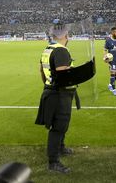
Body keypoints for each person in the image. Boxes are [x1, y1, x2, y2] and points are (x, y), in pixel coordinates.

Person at [35, 23, 76, 174]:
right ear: (65, 35)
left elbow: (41, 70)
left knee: (61, 125)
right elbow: (62, 74)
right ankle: (53, 162)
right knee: (58, 127)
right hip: (60, 94)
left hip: (51, 91)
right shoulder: (61, 50)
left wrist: (47, 85)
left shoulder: (48, 48)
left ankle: (61, 147)